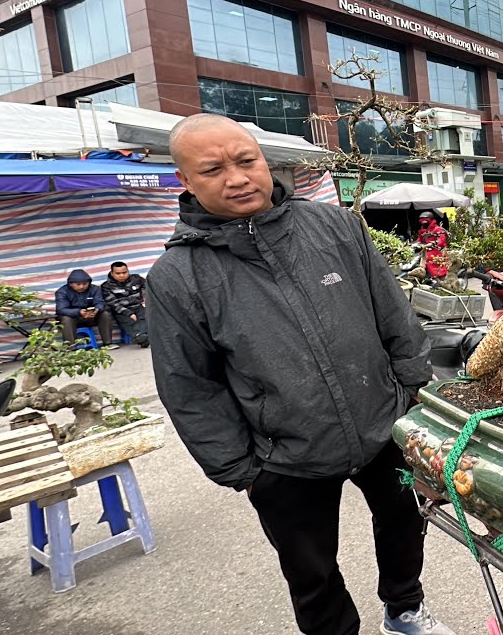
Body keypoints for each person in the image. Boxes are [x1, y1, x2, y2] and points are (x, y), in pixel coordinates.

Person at [146, 114, 451, 635]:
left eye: (246, 160)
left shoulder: (335, 227)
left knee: (404, 524)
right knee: (310, 572)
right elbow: (189, 386)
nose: (238, 178)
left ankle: (403, 609)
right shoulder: (177, 277)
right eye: (213, 169)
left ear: (264, 161)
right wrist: (241, 469)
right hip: (283, 455)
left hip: (384, 425)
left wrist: (412, 399)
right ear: (185, 181)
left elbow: (394, 317)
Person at [54, 269, 116, 349]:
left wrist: (96, 310)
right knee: (66, 319)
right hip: (74, 318)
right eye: (78, 284)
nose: (82, 286)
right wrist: (79, 312)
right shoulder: (62, 292)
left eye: (85, 284)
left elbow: (100, 302)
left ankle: (108, 343)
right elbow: (61, 309)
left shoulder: (95, 289)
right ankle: (71, 348)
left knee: (105, 314)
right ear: (71, 284)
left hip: (91, 316)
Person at [100, 261, 149, 347]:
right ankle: (140, 337)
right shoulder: (106, 286)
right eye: (118, 273)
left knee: (146, 316)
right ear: (112, 273)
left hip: (138, 307)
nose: (122, 275)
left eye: (124, 272)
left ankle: (144, 337)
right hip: (121, 311)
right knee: (129, 321)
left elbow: (148, 288)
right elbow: (113, 304)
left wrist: (146, 300)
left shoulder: (137, 279)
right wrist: (129, 313)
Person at [414, 211, 450, 280]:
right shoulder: (423, 230)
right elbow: (419, 239)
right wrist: (416, 244)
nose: (423, 222)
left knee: (430, 259)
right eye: (422, 221)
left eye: (425, 220)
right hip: (426, 250)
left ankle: (438, 277)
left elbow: (441, 240)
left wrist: (434, 243)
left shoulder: (438, 229)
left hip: (438, 250)